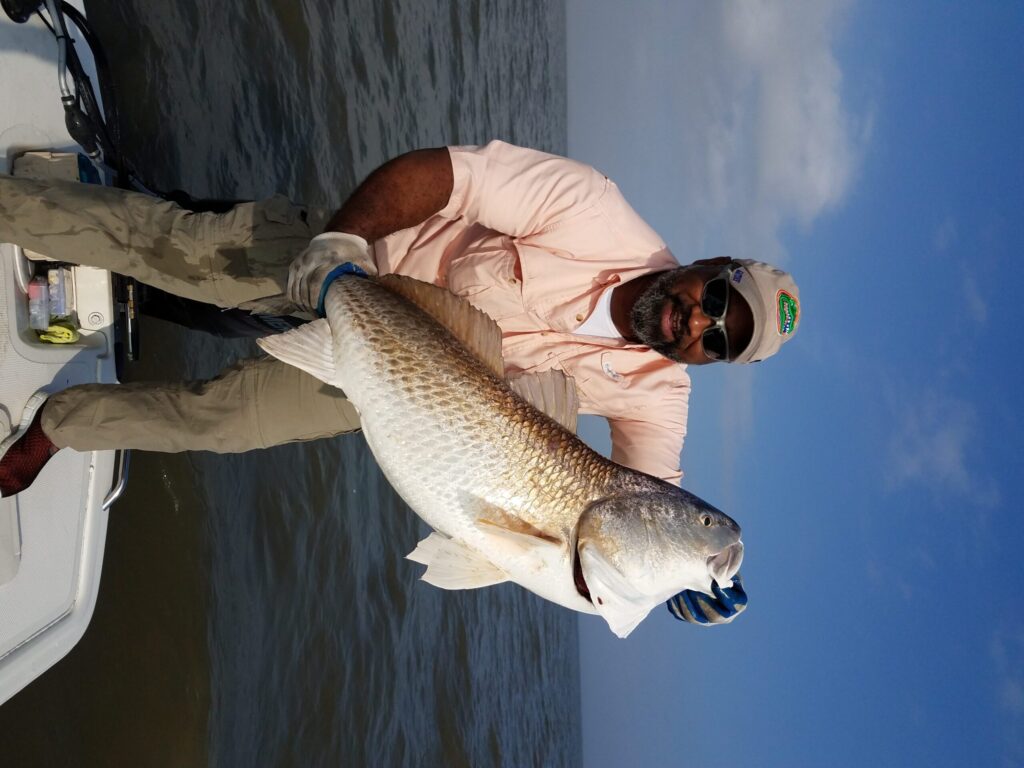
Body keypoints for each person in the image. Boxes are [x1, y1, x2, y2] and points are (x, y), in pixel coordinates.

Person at [0, 140, 800, 624]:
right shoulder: (598, 211)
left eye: (719, 343)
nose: (698, 325)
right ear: (710, 264)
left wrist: (688, 580)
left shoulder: (659, 396)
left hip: (399, 389)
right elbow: (446, 177)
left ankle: (59, 425)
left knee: (221, 421)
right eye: (717, 301)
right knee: (160, 245)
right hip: (357, 260)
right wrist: (342, 241)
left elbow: (651, 500)